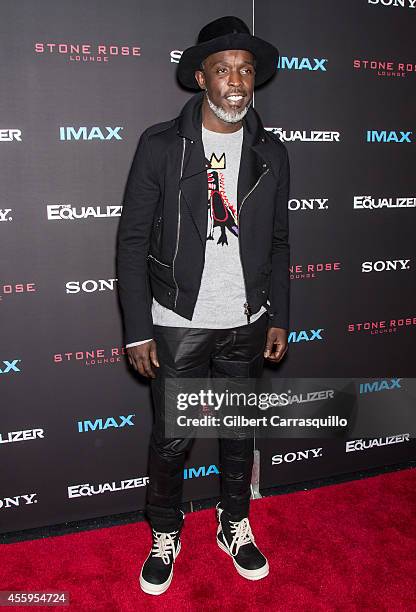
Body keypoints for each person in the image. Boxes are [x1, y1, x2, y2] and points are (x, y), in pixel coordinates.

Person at [117, 15, 290, 595]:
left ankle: (233, 522)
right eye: (223, 69)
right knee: (172, 437)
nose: (236, 80)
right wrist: (138, 328)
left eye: (245, 69)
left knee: (238, 432)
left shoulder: (272, 151)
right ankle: (165, 530)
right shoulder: (162, 146)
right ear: (200, 78)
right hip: (178, 322)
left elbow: (281, 240)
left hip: (247, 320)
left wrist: (280, 315)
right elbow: (133, 241)